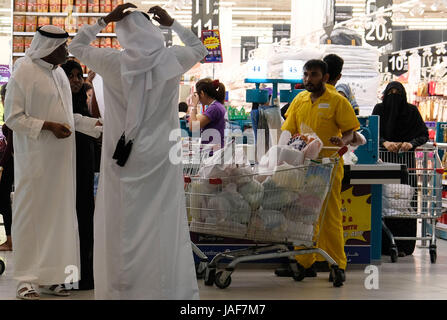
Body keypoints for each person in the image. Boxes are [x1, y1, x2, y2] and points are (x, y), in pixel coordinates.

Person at [68, 4, 208, 299]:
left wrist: (104, 20)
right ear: (153, 32)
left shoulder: (113, 62)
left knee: (123, 221)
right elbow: (198, 47)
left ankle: (124, 289)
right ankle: (160, 288)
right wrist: (173, 24)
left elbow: (76, 44)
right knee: (162, 219)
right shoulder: (172, 59)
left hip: (122, 157)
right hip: (161, 155)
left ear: (122, 34)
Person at [4, 25, 102, 300]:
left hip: (61, 164)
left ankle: (50, 278)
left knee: (57, 219)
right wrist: (47, 126)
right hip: (35, 162)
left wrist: (94, 124)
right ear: (48, 47)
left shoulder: (58, 73)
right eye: (62, 47)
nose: (66, 51)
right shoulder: (23, 71)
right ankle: (25, 280)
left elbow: (67, 117)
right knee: (29, 218)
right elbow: (13, 117)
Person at [277, 59, 360, 284]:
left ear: (324, 77)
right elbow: (288, 132)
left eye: (313, 75)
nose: (308, 79)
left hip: (329, 166)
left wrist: (340, 139)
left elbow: (352, 133)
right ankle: (305, 263)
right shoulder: (299, 100)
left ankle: (337, 264)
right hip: (303, 166)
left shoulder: (337, 101)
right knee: (303, 214)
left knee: (329, 214)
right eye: (305, 75)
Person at [372, 81, 429, 257]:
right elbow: (373, 132)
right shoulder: (379, 109)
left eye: (398, 92)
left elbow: (423, 134)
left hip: (407, 166)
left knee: (405, 205)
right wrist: (384, 143)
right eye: (391, 92)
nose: (394, 96)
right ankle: (382, 243)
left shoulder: (411, 111)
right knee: (383, 203)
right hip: (383, 163)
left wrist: (410, 144)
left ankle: (404, 245)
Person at [61, 60, 97, 290]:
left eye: (78, 76)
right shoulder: (59, 103)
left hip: (84, 170)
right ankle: (65, 276)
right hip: (65, 171)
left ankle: (84, 277)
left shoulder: (84, 101)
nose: (75, 80)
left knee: (85, 221)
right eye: (70, 75)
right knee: (67, 223)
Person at [189, 78, 226, 149]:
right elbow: (196, 120)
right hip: (214, 150)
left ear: (202, 93)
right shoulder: (217, 106)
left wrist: (194, 105)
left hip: (212, 153)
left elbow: (193, 127)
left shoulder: (214, 108)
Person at [0, 83, 13, 251]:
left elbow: (12, 147)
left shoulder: (13, 114)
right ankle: (10, 239)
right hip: (13, 161)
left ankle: (10, 241)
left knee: (3, 198)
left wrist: (3, 163)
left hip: (14, 162)